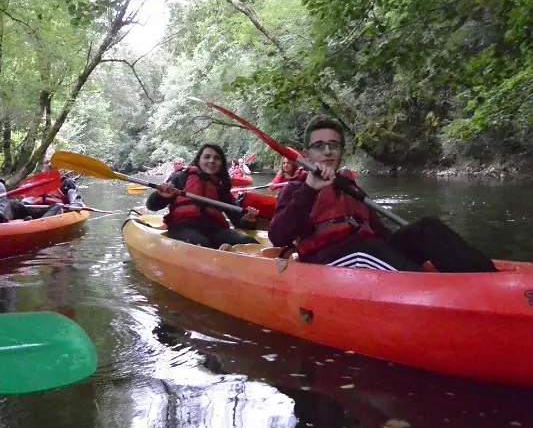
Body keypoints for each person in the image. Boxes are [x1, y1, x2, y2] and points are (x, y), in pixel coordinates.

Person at [268, 115, 497, 273]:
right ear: (307, 153)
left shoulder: (350, 187)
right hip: (329, 261)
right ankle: (441, 293)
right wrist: (309, 189)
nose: (327, 151)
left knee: (427, 228)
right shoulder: (295, 189)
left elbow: (381, 233)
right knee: (370, 250)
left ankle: (492, 281)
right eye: (318, 146)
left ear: (341, 151)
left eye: (334, 145)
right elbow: (278, 236)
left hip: (369, 251)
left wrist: (407, 246)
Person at [146, 143, 260, 248]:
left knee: (248, 241)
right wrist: (161, 196)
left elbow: (237, 222)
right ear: (199, 159)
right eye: (207, 157)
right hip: (183, 227)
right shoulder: (181, 177)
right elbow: (152, 206)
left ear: (221, 163)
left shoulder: (221, 187)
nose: (211, 161)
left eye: (216, 158)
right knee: (200, 242)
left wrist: (247, 220)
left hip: (214, 230)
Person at [0, 176, 84, 223]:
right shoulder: (38, 183)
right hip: (33, 209)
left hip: (50, 210)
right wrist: (23, 203)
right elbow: (27, 200)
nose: (49, 165)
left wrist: (73, 205)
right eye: (47, 162)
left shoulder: (66, 183)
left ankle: (35, 224)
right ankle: (2, 220)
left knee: (58, 206)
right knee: (12, 203)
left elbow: (76, 200)